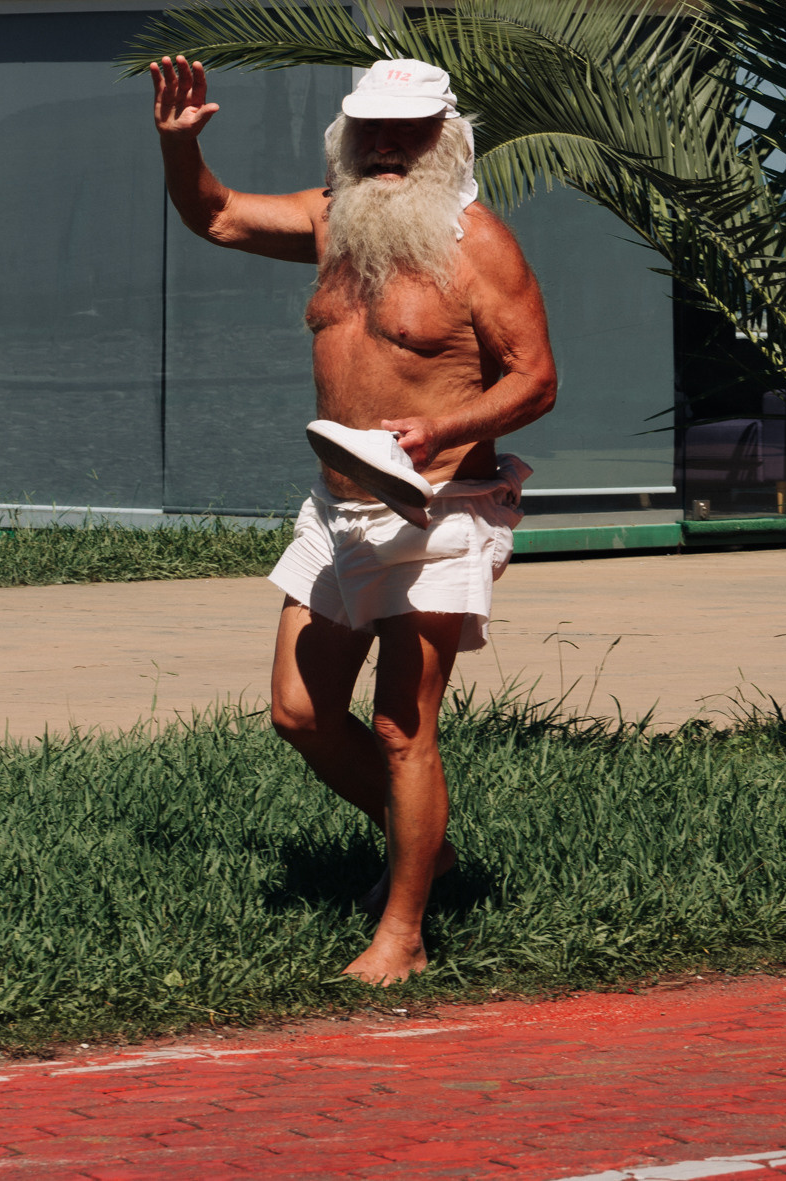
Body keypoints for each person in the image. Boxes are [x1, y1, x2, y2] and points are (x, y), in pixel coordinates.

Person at [151, 53, 557, 985]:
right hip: (338, 506)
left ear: (445, 141)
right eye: (371, 129)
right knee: (297, 713)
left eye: (408, 134)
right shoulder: (333, 223)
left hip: (443, 508)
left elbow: (536, 379)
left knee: (400, 729)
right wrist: (180, 149)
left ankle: (404, 931)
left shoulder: (476, 244)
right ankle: (427, 841)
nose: (387, 147)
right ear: (345, 135)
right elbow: (212, 212)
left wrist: (441, 427)